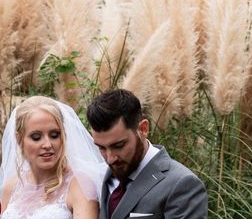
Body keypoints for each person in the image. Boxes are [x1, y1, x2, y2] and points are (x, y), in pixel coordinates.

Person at [87, 89, 208, 219]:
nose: (110, 159)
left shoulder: (182, 184)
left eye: (119, 146)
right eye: (101, 148)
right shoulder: (104, 177)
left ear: (143, 129)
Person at [0, 96, 108, 219]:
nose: (47, 145)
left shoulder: (80, 185)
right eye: (36, 137)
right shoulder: (11, 187)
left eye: (54, 135)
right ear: (19, 139)